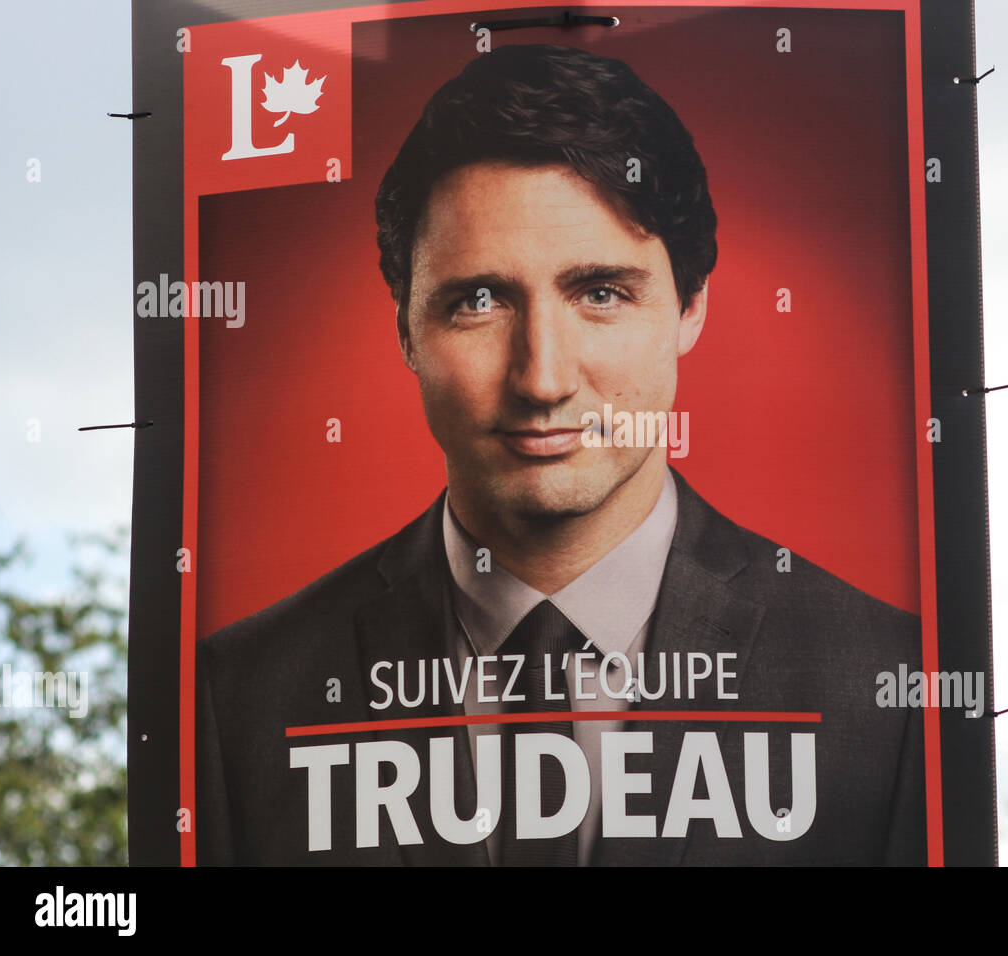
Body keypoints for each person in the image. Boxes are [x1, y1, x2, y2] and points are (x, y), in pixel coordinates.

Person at [196, 43, 924, 866]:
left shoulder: (886, 680)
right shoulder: (243, 696)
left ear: (690, 306)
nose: (541, 377)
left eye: (601, 293)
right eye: (478, 301)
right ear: (405, 329)